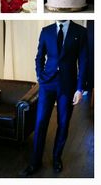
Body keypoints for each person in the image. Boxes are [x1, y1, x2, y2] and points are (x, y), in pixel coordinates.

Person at [20, 20, 88, 177]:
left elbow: (83, 61)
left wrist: (79, 89)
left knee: (63, 123)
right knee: (41, 122)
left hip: (68, 85)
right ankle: (35, 162)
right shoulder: (46, 31)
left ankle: (57, 158)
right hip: (47, 83)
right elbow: (39, 56)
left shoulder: (80, 31)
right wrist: (40, 75)